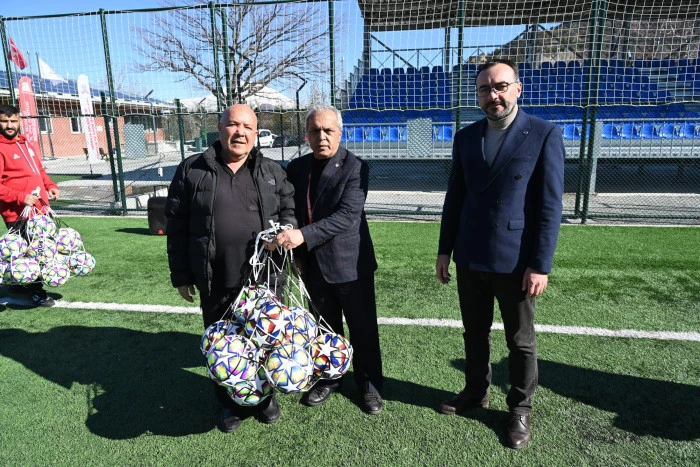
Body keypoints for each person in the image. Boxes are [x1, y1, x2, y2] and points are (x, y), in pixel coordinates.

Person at [436, 59, 565, 449]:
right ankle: (476, 391)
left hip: (516, 260)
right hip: (470, 255)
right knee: (474, 333)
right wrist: (444, 250)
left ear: (517, 88)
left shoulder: (543, 134)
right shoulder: (466, 137)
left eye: (500, 86)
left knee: (520, 341)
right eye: (484, 89)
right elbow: (454, 198)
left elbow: (549, 207)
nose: (492, 95)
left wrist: (540, 264)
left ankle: (520, 409)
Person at [165, 104, 296, 433]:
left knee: (265, 342)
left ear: (255, 133)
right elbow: (176, 226)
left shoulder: (272, 170)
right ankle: (229, 404)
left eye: (248, 127)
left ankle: (264, 399)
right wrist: (181, 275)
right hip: (215, 279)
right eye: (233, 125)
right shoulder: (192, 169)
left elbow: (288, 210)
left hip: (265, 281)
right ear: (220, 127)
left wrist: (285, 231)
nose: (240, 132)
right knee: (223, 347)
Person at [276, 104, 384, 415]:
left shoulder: (356, 167)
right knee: (324, 328)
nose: (321, 136)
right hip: (313, 264)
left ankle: (369, 385)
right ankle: (329, 378)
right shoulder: (297, 167)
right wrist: (298, 253)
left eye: (328, 130)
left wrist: (302, 236)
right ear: (306, 134)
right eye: (315, 131)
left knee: (363, 329)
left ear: (340, 133)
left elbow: (347, 216)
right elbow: (294, 212)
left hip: (351, 264)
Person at [0, 104, 60, 307]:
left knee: (41, 250)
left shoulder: (26, 144)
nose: (9, 125)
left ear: (19, 121)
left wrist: (50, 186)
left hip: (40, 210)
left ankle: (20, 284)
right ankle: (37, 292)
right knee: (34, 254)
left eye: (13, 121)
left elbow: (39, 171)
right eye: (4, 121)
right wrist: (20, 197)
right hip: (18, 214)